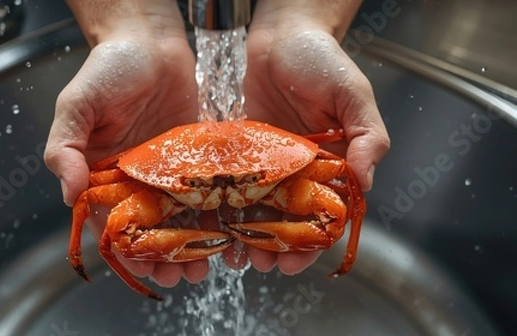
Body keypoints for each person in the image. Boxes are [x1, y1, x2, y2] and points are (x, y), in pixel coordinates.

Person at [44, 0, 390, 288]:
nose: (222, 192)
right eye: (198, 186)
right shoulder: (148, 190)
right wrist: (127, 24)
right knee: (108, 221)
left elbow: (339, 207)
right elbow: (101, 216)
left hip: (275, 183)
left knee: (341, 194)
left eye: (248, 181)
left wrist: (302, 15)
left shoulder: (296, 173)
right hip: (170, 193)